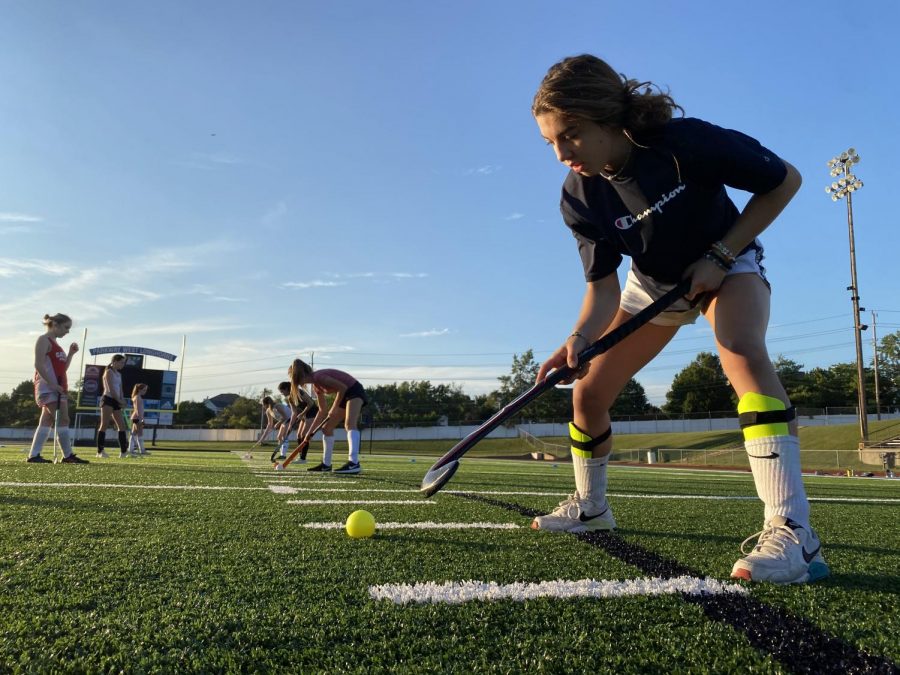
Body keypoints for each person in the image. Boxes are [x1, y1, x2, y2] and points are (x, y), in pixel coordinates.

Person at [530, 54, 826, 585]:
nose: (561, 153)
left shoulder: (684, 142)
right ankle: (592, 508)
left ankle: (793, 531)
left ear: (605, 115)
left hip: (728, 259)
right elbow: (601, 288)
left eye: (570, 134)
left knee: (738, 347)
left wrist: (718, 255)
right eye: (551, 141)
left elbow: (784, 181)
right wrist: (577, 339)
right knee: (587, 395)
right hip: (653, 286)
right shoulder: (579, 195)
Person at [26, 313, 89, 464]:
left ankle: (34, 455)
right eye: (66, 327)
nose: (67, 331)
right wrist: (52, 384)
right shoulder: (43, 340)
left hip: (58, 387)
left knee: (46, 421)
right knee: (63, 419)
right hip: (48, 388)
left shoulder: (55, 343)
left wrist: (71, 354)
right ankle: (67, 456)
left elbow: (62, 368)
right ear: (55, 325)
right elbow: (38, 364)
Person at [288, 359, 368, 474]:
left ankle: (354, 463)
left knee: (349, 424)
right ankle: (326, 465)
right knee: (326, 428)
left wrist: (334, 408)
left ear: (299, 376)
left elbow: (342, 388)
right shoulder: (316, 386)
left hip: (354, 390)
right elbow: (322, 410)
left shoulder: (320, 377)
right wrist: (308, 434)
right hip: (345, 394)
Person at [96, 354, 129, 459]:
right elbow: (110, 389)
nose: (122, 365)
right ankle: (100, 451)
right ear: (114, 361)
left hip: (116, 401)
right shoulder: (108, 372)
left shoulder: (119, 374)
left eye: (124, 363)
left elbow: (120, 389)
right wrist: (118, 400)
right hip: (108, 399)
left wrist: (122, 400)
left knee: (121, 426)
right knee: (104, 424)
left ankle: (123, 452)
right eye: (121, 362)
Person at [278, 380, 319, 463]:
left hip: (312, 412)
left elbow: (311, 403)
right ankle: (301, 457)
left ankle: (303, 459)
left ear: (286, 389)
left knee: (304, 434)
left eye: (282, 391)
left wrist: (302, 413)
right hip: (304, 415)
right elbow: (294, 413)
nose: (282, 394)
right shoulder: (290, 398)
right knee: (298, 435)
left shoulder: (299, 392)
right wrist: (290, 426)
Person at [244, 396, 291, 460]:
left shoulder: (277, 406)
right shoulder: (268, 411)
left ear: (266, 404)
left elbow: (285, 416)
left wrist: (278, 423)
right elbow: (269, 425)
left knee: (283, 436)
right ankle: (283, 455)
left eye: (263, 404)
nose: (263, 406)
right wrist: (262, 438)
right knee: (279, 437)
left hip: (290, 419)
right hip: (284, 421)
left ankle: (283, 455)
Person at [128, 383, 149, 456]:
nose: (145, 391)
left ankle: (130, 450)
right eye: (144, 390)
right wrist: (141, 419)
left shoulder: (137, 397)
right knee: (140, 434)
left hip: (136, 417)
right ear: (139, 390)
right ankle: (142, 450)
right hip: (137, 418)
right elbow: (137, 409)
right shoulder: (137, 397)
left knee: (134, 434)